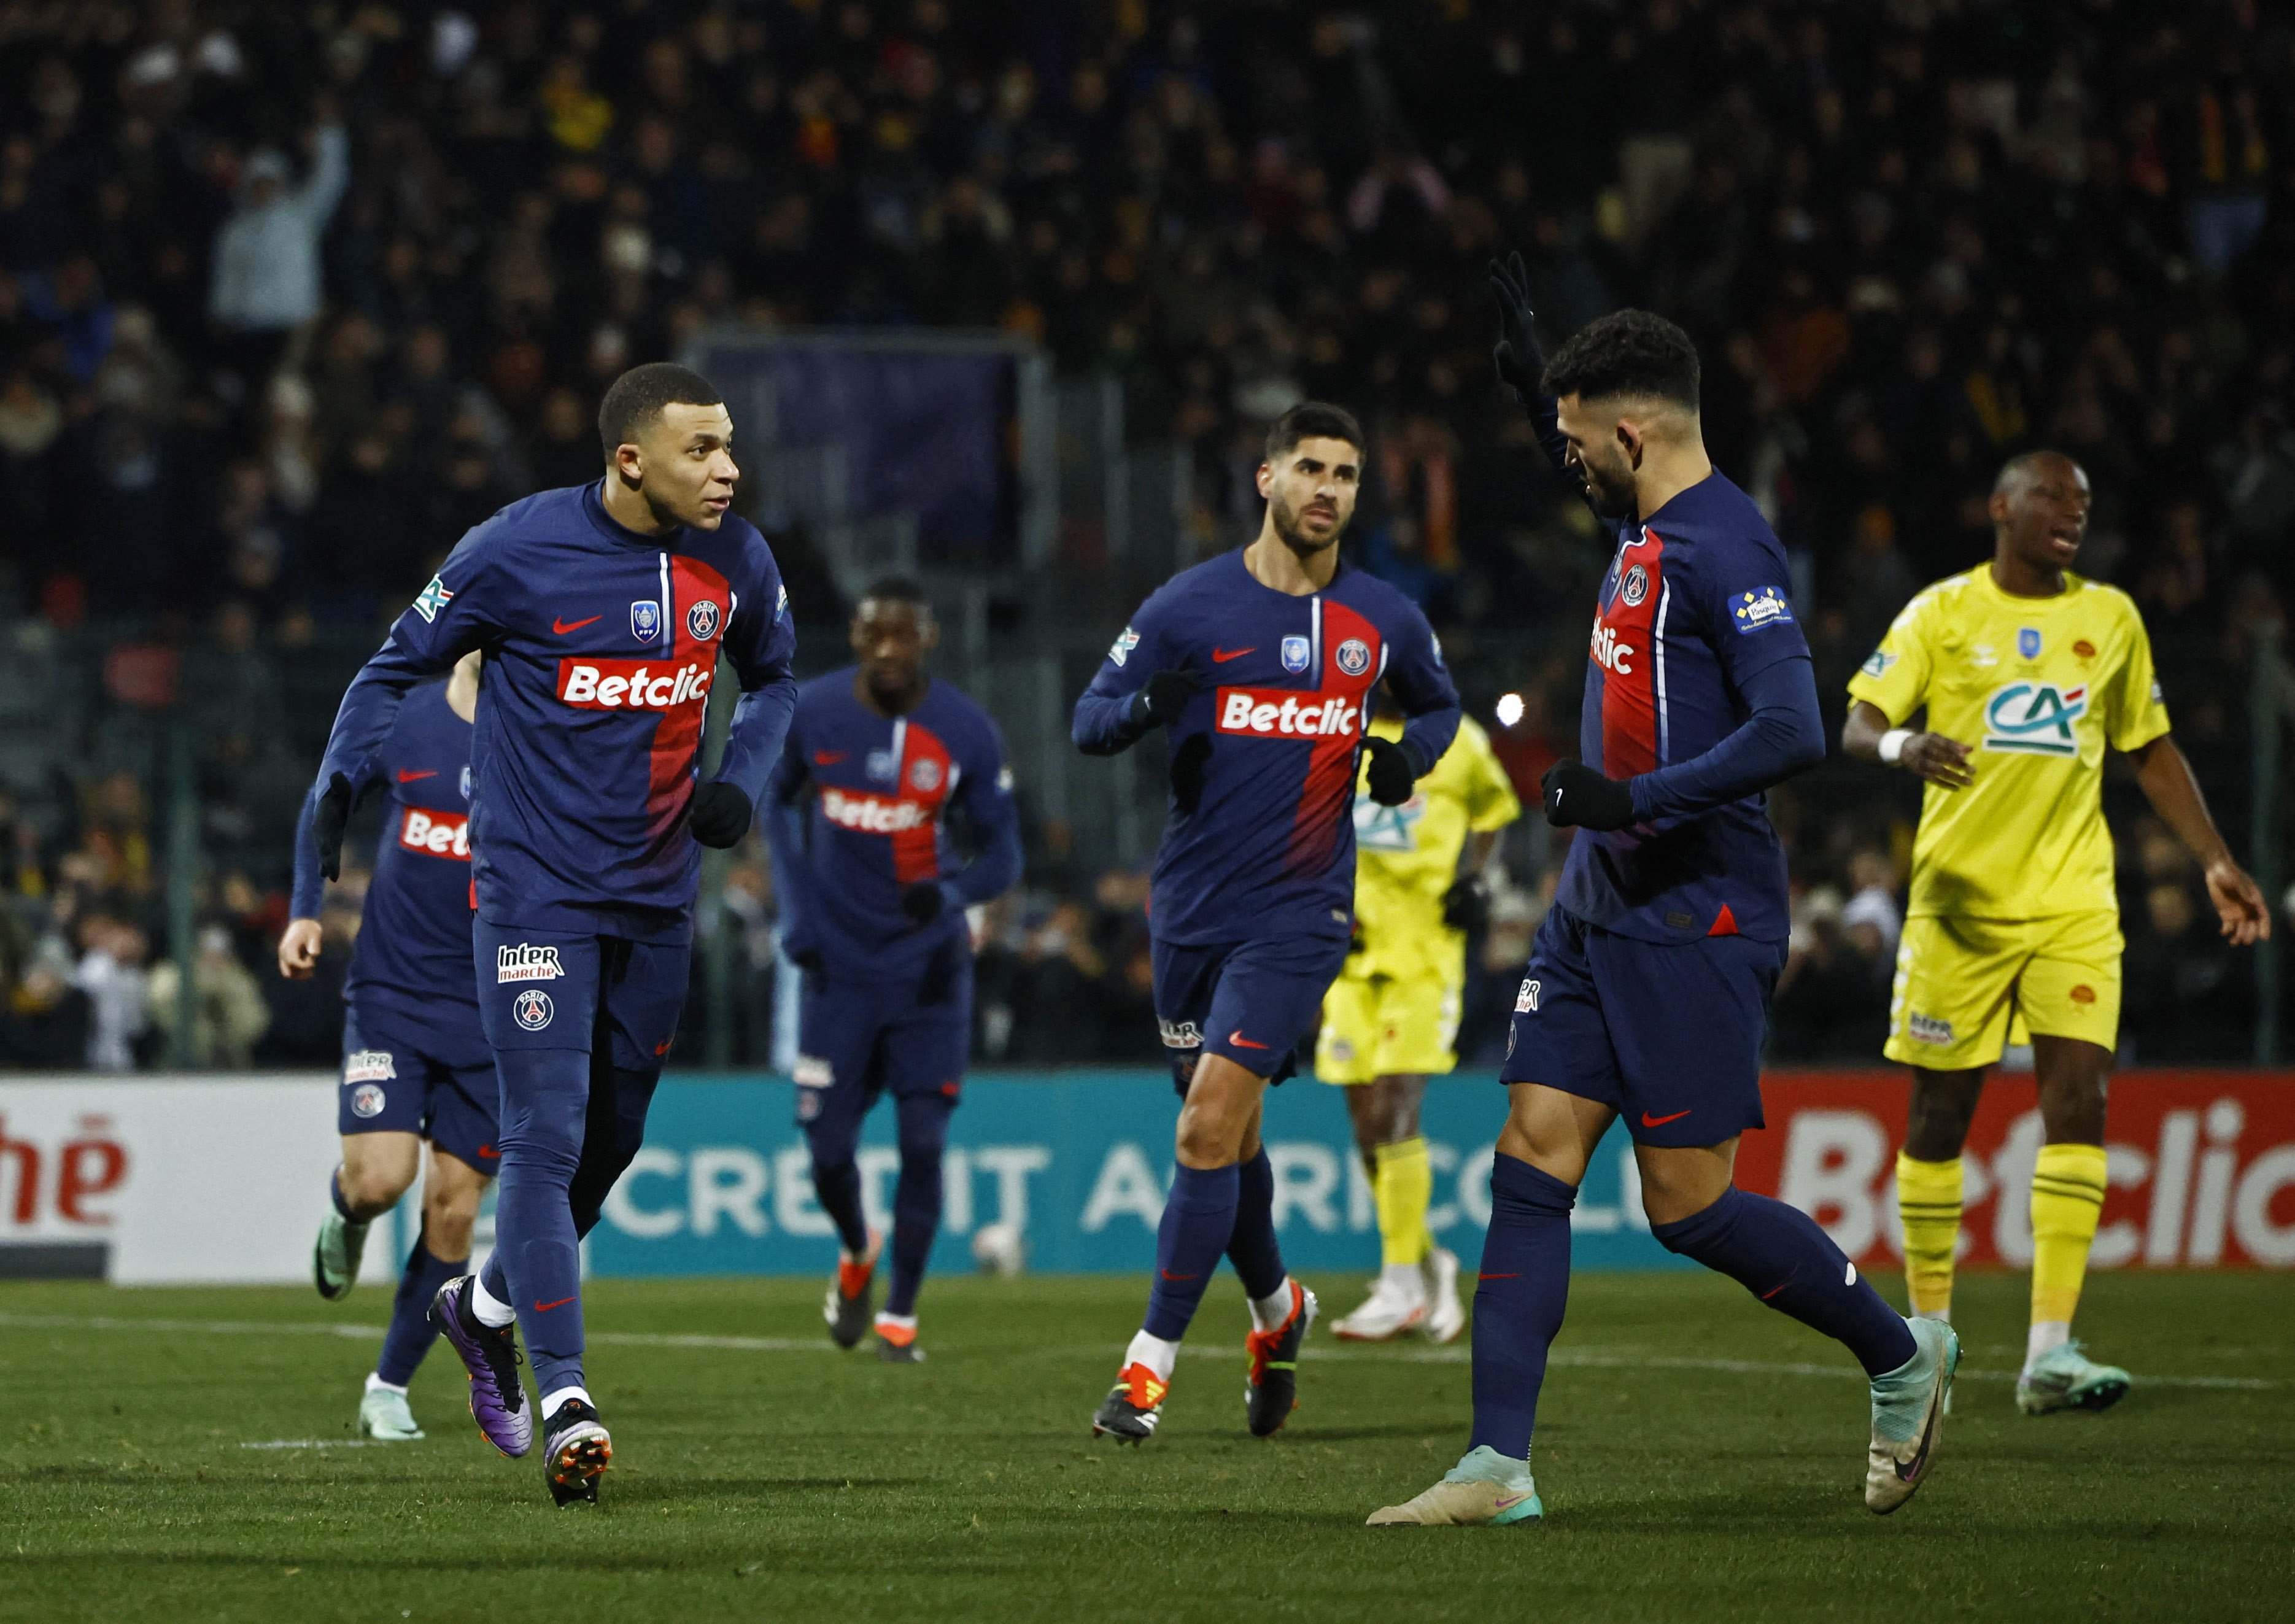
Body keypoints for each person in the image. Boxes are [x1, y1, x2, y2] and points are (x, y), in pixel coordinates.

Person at [1370, 262, 1956, 1528]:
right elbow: (1586, 456)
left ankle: (1901, 1358)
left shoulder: (1728, 546)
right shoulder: (1643, 528)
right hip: (1596, 903)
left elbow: (1795, 726)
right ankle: (1496, 1469)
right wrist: (1541, 390)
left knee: (1686, 1205)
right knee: (1529, 1155)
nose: (1569, 465)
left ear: (1632, 436)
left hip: (1699, 906)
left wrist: (1636, 803)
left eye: (1582, 444)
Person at [304, 362, 797, 1506]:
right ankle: (566, 1393)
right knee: (542, 1133)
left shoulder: (738, 557)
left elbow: (772, 679)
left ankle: (477, 1308)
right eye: (701, 451)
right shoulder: (510, 551)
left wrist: (745, 779)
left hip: (657, 894)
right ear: (631, 460)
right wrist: (335, 785)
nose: (727, 470)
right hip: (530, 894)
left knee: (611, 1140)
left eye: (729, 447)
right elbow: (392, 666)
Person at [1842, 450, 2268, 1416]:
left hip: (2073, 903)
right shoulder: (1940, 612)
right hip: (1956, 908)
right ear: (2000, 506)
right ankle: (1926, 1342)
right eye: (2051, 498)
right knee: (1939, 1120)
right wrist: (1903, 743)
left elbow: (2149, 747)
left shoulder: (2108, 617)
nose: (2071, 512)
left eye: (2081, 500)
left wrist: (2210, 857)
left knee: (2078, 1100)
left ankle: (2047, 1351)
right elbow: (1857, 722)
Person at [1073, 401, 1461, 1443]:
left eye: (1343, 473)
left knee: (1203, 1123)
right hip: (1189, 913)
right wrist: (1155, 706)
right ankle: (1276, 1306)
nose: (1327, 490)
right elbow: (1089, 721)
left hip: (1299, 913)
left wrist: (1404, 757)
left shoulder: (1380, 615)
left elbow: (1438, 707)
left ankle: (1145, 1370)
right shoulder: (1186, 607)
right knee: (1223, 1134)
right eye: (1309, 469)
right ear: (1264, 478)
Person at [764, 578, 1021, 1363]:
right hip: (837, 967)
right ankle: (854, 1248)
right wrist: (798, 911)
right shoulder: (813, 714)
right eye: (874, 633)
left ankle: (901, 1319)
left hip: (927, 974)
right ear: (853, 635)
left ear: (927, 640)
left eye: (902, 634)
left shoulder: (965, 731)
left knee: (923, 1142)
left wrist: (950, 894)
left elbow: (1003, 852)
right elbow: (774, 805)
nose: (886, 649)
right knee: (829, 1152)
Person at [281, 650, 489, 1443]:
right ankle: (347, 1210)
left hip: (493, 1008)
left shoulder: (542, 733)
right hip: (393, 996)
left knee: (453, 1212)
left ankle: (388, 1386)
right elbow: (326, 797)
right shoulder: (406, 716)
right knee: (381, 1180)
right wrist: (308, 907)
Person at [1316, 696, 1520, 1342]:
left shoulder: (1459, 741)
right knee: (1366, 1131)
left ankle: (1400, 1283)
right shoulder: (1341, 735)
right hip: (1351, 953)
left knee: (1394, 1109)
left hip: (1426, 955)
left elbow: (1496, 810)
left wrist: (1475, 878)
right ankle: (1429, 1262)